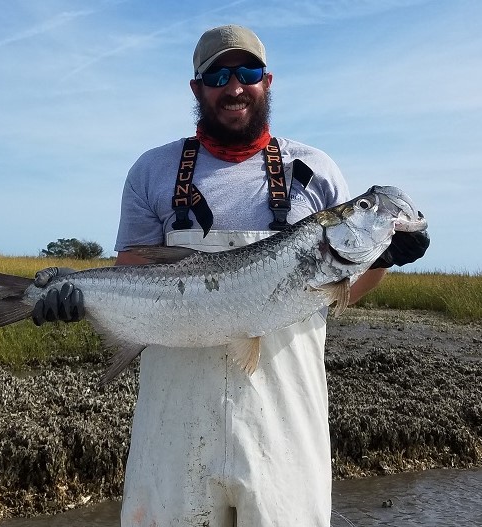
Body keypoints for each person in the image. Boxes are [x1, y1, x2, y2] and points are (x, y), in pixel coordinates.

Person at [33, 25, 429, 526]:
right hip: (174, 421)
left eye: (247, 72)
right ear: (197, 89)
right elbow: (132, 275)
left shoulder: (316, 169)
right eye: (218, 74)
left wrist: (384, 259)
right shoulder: (152, 171)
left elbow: (342, 292)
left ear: (268, 81)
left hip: (285, 421)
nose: (234, 86)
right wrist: (81, 296)